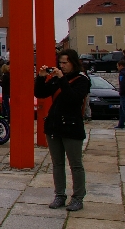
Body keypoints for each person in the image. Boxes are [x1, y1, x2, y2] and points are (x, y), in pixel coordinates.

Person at [35, 49, 90, 212]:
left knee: (75, 164)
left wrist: (62, 79)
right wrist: (41, 77)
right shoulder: (57, 79)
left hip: (71, 126)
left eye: (65, 63)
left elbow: (72, 98)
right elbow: (40, 93)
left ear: (73, 62)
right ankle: (59, 194)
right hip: (55, 125)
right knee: (57, 163)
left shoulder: (82, 80)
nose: (62, 66)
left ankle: (78, 197)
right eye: (60, 63)